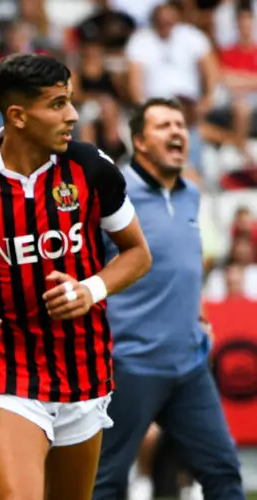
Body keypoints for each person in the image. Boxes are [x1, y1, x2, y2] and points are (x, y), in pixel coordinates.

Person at [0, 53, 153, 500]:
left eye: (70, 101)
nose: (72, 114)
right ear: (18, 116)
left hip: (83, 368)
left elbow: (137, 253)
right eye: (57, 104)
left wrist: (90, 289)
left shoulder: (92, 168)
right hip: (6, 369)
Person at [93, 98, 245, 500]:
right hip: (128, 365)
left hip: (189, 366)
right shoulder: (111, 193)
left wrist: (200, 315)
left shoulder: (191, 194)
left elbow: (185, 263)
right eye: (164, 126)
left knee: (223, 472)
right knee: (104, 482)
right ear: (140, 141)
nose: (178, 131)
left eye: (180, 124)